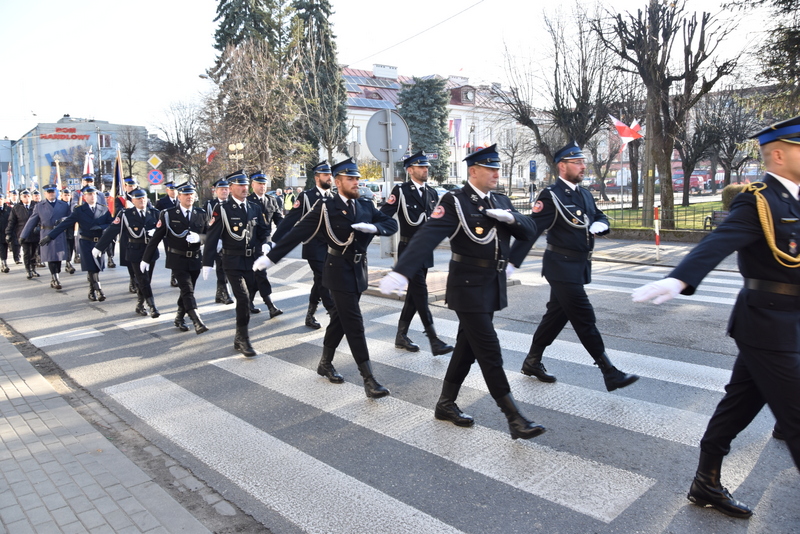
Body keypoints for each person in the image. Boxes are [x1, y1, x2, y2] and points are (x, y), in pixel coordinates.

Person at [632, 115, 800, 519]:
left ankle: (706, 480)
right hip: (768, 324)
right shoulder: (759, 199)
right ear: (778, 154)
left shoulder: (795, 200)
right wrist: (680, 279)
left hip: (788, 324)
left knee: (740, 403)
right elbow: (718, 241)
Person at [379, 145, 545, 439]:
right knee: (489, 351)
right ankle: (514, 417)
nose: (496, 173)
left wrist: (512, 219)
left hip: (491, 286)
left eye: (498, 168)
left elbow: (531, 229)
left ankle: (445, 403)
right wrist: (401, 271)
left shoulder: (501, 200)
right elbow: (426, 236)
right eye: (490, 168)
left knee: (466, 350)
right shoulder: (454, 202)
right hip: (467, 288)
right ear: (473, 171)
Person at [257, 158, 398, 398]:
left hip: (358, 271)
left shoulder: (364, 204)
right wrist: (271, 256)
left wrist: (374, 228)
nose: (356, 182)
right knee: (354, 323)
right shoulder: (325, 207)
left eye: (357, 178)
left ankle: (325, 363)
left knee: (340, 320)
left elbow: (390, 223)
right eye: (351, 179)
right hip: (337, 271)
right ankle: (369, 379)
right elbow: (296, 232)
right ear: (338, 181)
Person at [508, 141, 638, 392]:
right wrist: (513, 261)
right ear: (562, 166)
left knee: (556, 316)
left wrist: (602, 225)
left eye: (583, 162)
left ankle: (532, 361)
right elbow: (533, 229)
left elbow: (598, 214)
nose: (583, 166)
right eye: (577, 163)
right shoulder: (551, 196)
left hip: (578, 267)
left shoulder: (584, 193)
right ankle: (609, 372)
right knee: (583, 317)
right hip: (560, 267)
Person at [380, 151, 453, 355]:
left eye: (427, 167)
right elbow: (384, 214)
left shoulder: (431, 193)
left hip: (425, 251)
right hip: (408, 250)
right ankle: (433, 339)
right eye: (421, 167)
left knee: (413, 296)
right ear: (410, 170)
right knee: (421, 294)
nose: (425, 170)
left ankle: (401, 336)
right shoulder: (401, 191)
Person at [202, 171, 270, 355]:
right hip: (232, 261)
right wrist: (207, 262)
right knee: (243, 298)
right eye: (240, 185)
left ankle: (239, 336)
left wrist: (266, 243)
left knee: (247, 299)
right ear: (231, 188)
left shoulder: (254, 208)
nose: (244, 188)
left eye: (246, 185)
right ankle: (244, 340)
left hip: (251, 260)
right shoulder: (222, 209)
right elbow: (212, 236)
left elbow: (263, 230)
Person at [272, 160, 336, 329]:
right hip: (313, 245)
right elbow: (290, 220)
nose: (329, 178)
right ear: (317, 178)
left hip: (330, 247)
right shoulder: (306, 197)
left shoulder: (333, 197)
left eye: (330, 175)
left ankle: (310, 315)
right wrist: (274, 241)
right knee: (324, 279)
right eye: (325, 175)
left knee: (319, 281)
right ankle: (334, 313)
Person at [143, 182, 208, 333]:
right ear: (179, 197)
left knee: (187, 291)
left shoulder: (201, 213)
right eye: (185, 194)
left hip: (195, 259)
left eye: (191, 194)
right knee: (187, 290)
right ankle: (197, 321)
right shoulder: (168, 214)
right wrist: (145, 259)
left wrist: (199, 237)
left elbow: (209, 235)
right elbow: (156, 238)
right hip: (177, 259)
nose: (189, 197)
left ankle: (179, 317)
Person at [40, 184, 113, 301]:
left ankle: (91, 291)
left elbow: (111, 224)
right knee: (91, 267)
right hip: (86, 242)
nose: (92, 196)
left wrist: (101, 227)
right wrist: (50, 236)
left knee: (97, 268)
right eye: (89, 194)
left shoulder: (103, 209)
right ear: (84, 197)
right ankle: (99, 290)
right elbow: (65, 224)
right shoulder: (80, 210)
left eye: (94, 194)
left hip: (99, 243)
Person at [97, 188, 161, 317]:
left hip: (150, 251)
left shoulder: (155, 213)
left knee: (147, 280)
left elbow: (165, 230)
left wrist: (157, 232)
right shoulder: (125, 214)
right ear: (133, 200)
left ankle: (140, 304)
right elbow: (112, 230)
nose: (142, 200)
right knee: (143, 280)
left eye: (144, 198)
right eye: (138, 198)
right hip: (135, 251)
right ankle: (152, 306)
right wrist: (99, 247)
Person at [247, 171, 283, 317]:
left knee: (256, 275)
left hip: (265, 242)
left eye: (264, 183)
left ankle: (248, 301)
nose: (262, 186)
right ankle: (270, 306)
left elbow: (278, 219)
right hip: (251, 243)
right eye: (259, 184)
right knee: (261, 273)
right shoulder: (247, 201)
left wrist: (285, 231)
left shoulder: (272, 200)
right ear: (252, 185)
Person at [21, 184, 71, 289]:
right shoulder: (39, 206)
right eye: (49, 192)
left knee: (58, 259)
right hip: (46, 233)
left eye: (53, 191)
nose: (51, 194)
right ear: (45, 194)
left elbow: (71, 218)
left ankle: (56, 275)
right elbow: (32, 221)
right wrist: (23, 235)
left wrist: (64, 220)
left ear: (56, 192)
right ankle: (55, 278)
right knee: (51, 257)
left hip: (59, 233)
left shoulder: (64, 205)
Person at [204, 179, 234, 305]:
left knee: (226, 268)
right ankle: (225, 293)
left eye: (226, 189)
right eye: (222, 189)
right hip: (216, 242)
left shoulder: (232, 203)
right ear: (216, 191)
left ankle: (219, 294)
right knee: (221, 268)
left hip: (229, 242)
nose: (224, 191)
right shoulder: (210, 204)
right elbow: (206, 224)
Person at [6, 189, 40, 279]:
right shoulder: (16, 208)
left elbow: (41, 218)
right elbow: (11, 222)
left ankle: (33, 268)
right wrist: (8, 233)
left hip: (35, 234)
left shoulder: (36, 206)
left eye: (28, 196)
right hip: (23, 234)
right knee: (26, 253)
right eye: (24, 196)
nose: (27, 198)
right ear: (21, 198)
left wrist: (39, 226)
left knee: (35, 252)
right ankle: (28, 270)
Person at [154, 181, 180, 288]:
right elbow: (158, 217)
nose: (174, 192)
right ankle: (173, 275)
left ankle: (178, 274)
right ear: (167, 190)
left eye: (175, 190)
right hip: (168, 233)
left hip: (180, 232)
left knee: (180, 254)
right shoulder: (161, 202)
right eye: (171, 190)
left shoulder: (181, 200)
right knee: (171, 254)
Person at [59, 188, 76, 274]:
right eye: (65, 195)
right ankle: (68, 263)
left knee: (71, 246)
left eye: (68, 195)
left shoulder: (73, 204)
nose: (67, 197)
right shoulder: (58, 205)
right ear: (61, 196)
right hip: (63, 230)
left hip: (72, 229)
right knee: (66, 248)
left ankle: (68, 262)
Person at [0, 192, 11, 273]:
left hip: (5, 232)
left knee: (4, 248)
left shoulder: (8, 209)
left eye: (1, 199)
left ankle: (4, 262)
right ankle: (3, 262)